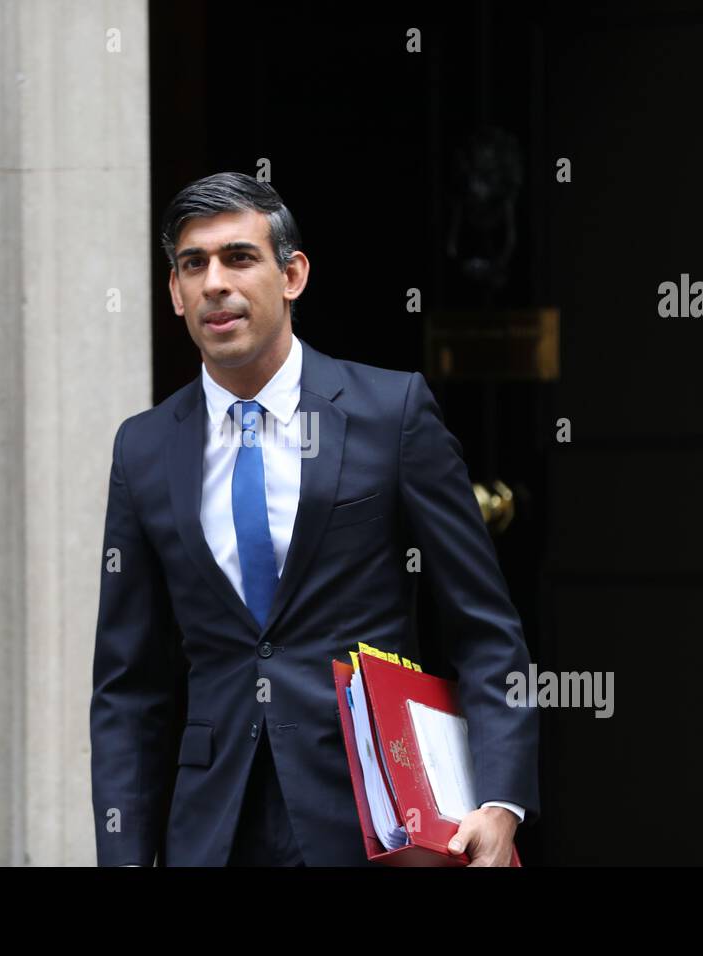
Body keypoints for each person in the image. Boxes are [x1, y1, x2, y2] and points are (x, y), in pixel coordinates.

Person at [90, 172, 538, 866]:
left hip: (379, 819)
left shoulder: (392, 415)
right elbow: (129, 686)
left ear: (292, 274)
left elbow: (485, 629)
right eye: (192, 265)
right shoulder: (143, 447)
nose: (214, 283)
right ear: (175, 293)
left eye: (239, 257)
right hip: (212, 831)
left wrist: (500, 801)